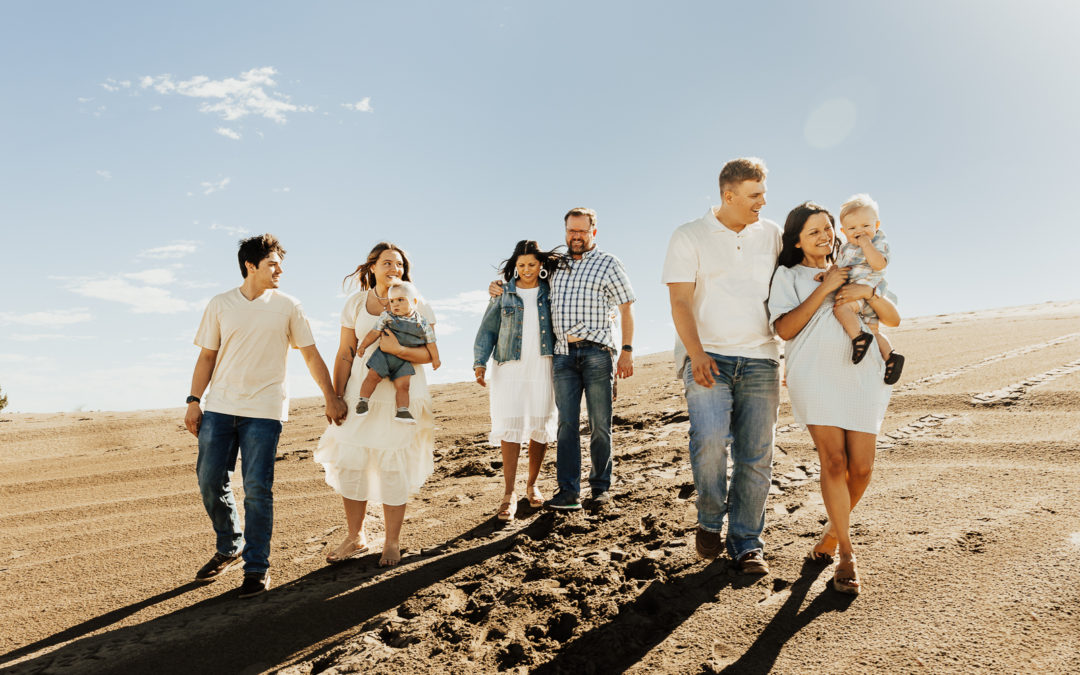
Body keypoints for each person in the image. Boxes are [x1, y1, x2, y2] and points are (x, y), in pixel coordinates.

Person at [185, 234, 346, 598]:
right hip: (220, 408)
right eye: (273, 263)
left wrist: (331, 397)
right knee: (210, 479)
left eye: (279, 263)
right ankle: (230, 545)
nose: (280, 270)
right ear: (250, 265)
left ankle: (256, 568)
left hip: (265, 411)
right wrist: (194, 400)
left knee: (258, 489)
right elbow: (207, 356)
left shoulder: (288, 305)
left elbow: (310, 353)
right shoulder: (220, 304)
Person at [768, 201, 901, 595]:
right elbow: (785, 330)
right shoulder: (788, 275)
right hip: (813, 374)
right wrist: (826, 287)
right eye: (814, 231)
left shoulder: (856, 261)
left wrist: (868, 290)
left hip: (864, 372)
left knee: (861, 469)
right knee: (834, 460)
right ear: (796, 240)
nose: (825, 235)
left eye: (828, 228)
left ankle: (829, 535)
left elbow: (891, 316)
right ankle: (845, 553)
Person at [662, 157, 780, 575]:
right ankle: (710, 520)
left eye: (764, 193)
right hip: (708, 355)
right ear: (728, 196)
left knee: (756, 455)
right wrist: (696, 353)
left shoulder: (773, 235)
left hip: (762, 357)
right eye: (755, 195)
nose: (763, 202)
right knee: (710, 441)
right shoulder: (689, 235)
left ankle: (747, 544)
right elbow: (679, 300)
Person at [491, 208, 636, 512]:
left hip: (598, 353)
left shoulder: (609, 263)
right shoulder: (555, 266)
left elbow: (625, 307)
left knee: (600, 424)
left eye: (582, 231)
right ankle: (568, 491)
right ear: (565, 231)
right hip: (563, 356)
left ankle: (599, 489)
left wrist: (626, 350)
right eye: (571, 231)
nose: (576, 236)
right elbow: (525, 278)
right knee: (566, 425)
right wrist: (498, 287)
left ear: (593, 232)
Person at [315, 242, 436, 567]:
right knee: (351, 463)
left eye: (398, 264)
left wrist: (398, 351)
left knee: (392, 465)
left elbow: (430, 354)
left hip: (400, 398)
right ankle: (356, 536)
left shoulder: (415, 302)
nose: (394, 269)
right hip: (359, 397)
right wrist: (335, 397)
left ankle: (392, 541)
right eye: (387, 263)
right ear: (372, 267)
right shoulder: (355, 303)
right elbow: (345, 352)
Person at [473, 240, 562, 521]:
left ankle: (532, 484)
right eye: (521, 265)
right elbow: (487, 329)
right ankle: (508, 493)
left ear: (541, 265)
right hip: (508, 366)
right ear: (515, 266)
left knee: (540, 424)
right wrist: (479, 362)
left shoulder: (552, 291)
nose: (526, 270)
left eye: (532, 264)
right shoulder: (503, 294)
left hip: (544, 364)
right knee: (510, 425)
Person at [832, 194, 905, 383]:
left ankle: (859, 337)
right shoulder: (845, 248)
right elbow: (839, 269)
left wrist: (866, 245)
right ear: (843, 231)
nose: (860, 231)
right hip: (857, 297)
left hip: (870, 293)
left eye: (866, 226)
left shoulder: (878, 242)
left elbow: (879, 264)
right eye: (853, 228)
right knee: (875, 331)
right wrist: (826, 274)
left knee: (841, 308)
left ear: (876, 226)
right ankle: (891, 357)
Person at [354, 280, 440, 424]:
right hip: (384, 356)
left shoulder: (422, 322)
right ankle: (363, 401)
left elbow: (431, 342)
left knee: (404, 385)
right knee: (372, 377)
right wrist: (363, 346)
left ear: (414, 301)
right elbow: (374, 333)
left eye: (401, 300)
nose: (395, 304)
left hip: (403, 360)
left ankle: (402, 411)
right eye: (392, 301)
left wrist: (436, 359)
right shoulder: (387, 317)